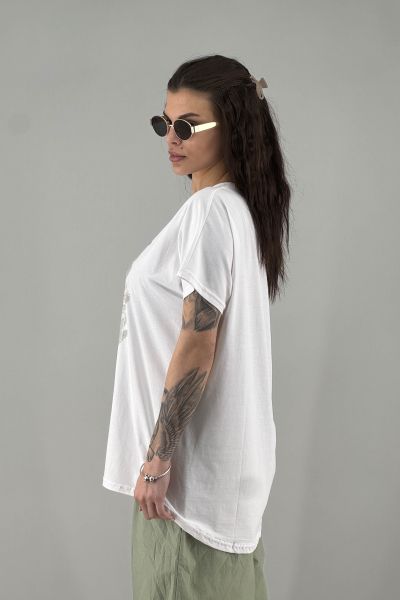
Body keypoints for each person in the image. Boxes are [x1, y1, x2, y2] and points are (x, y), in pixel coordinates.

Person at [102, 53, 292, 599]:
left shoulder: (210, 213)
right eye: (164, 123)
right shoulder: (240, 212)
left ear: (231, 127)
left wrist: (157, 462)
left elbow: (197, 342)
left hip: (184, 497)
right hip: (225, 493)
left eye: (187, 126)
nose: (171, 138)